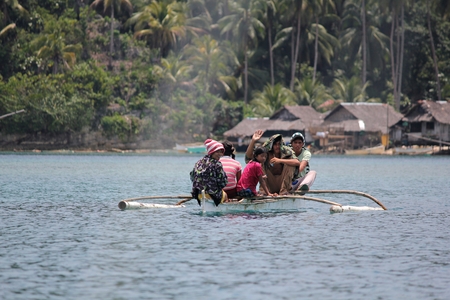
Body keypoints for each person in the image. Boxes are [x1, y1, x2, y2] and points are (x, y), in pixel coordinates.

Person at [245, 130, 296, 195]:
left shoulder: (286, 152)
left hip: (283, 185)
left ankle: (284, 191)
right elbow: (248, 159)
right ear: (271, 145)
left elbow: (297, 162)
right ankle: (263, 190)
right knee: (260, 163)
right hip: (268, 185)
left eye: (279, 144)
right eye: (275, 144)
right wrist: (253, 141)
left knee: (291, 164)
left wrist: (280, 160)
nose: (277, 146)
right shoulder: (265, 154)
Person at [190, 139, 228, 206]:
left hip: (198, 194)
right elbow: (223, 182)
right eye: (217, 152)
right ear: (211, 152)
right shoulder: (217, 164)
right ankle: (222, 210)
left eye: (221, 152)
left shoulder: (198, 162)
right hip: (212, 195)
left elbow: (192, 177)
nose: (220, 154)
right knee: (225, 195)